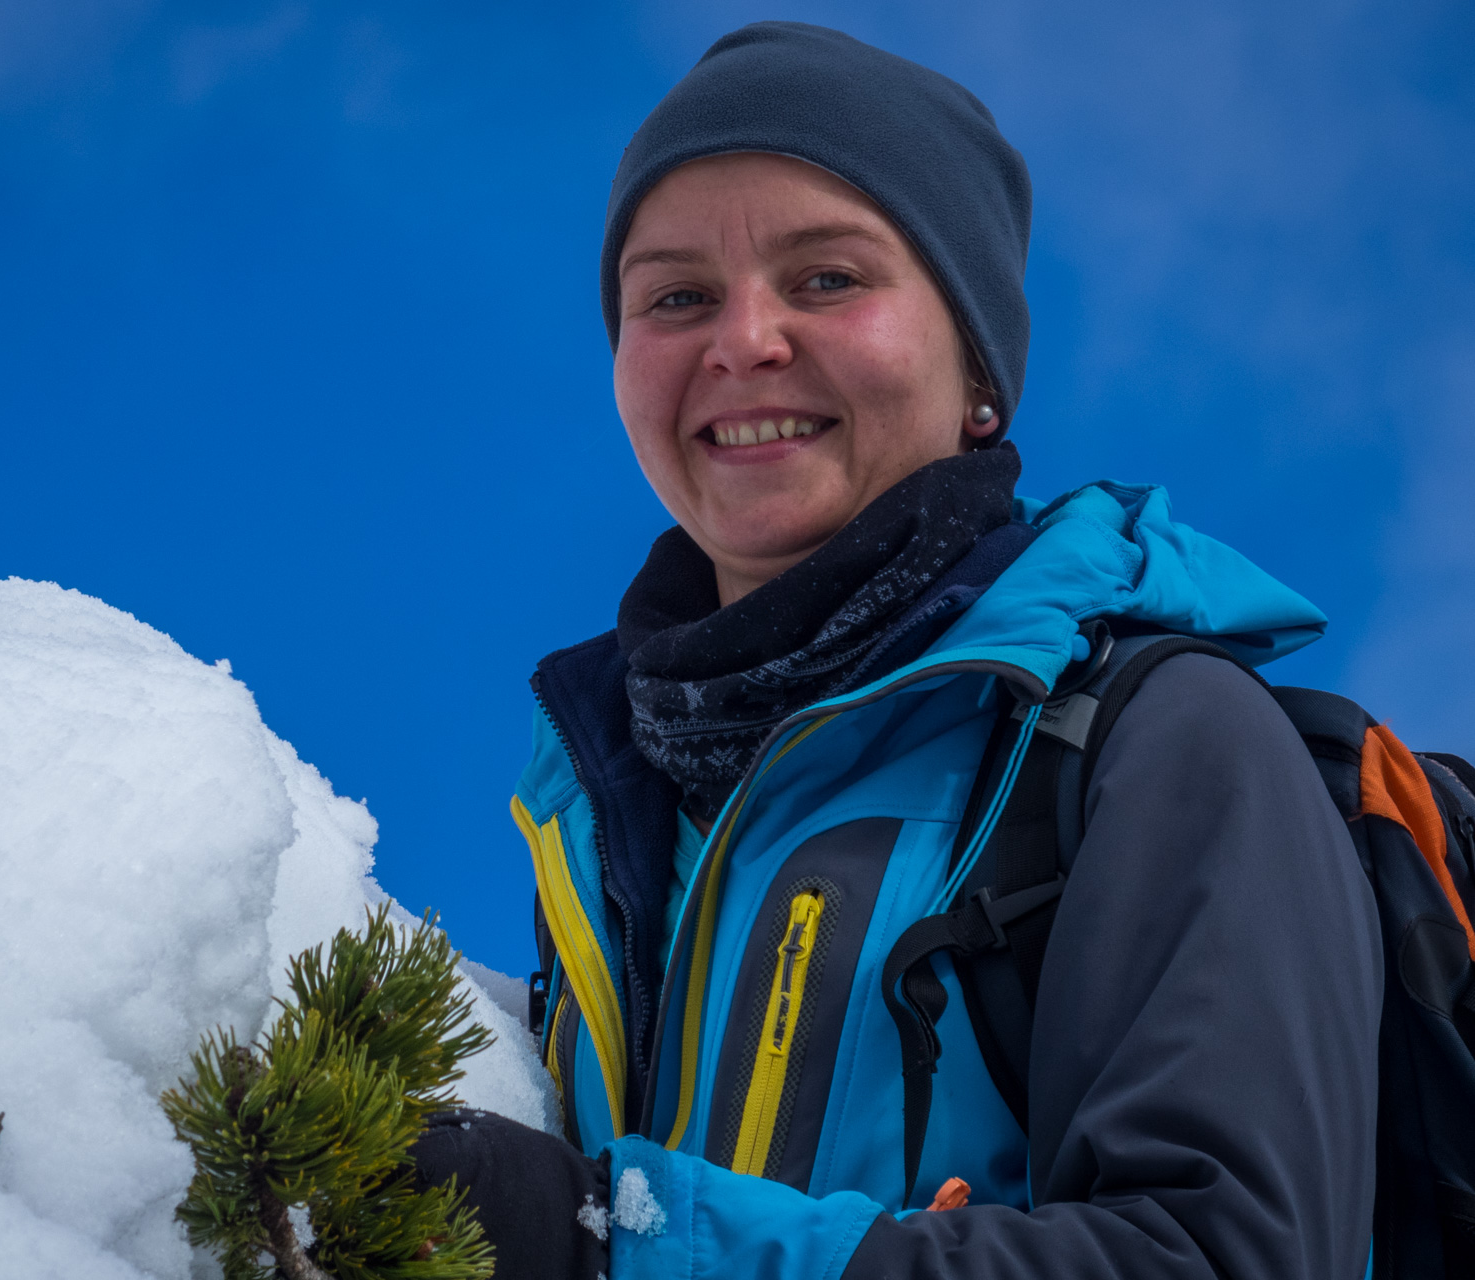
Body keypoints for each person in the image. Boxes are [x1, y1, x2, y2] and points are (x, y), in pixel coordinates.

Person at [410, 21, 1379, 1280]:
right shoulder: (617, 797)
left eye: (825, 279)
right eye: (677, 295)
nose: (741, 340)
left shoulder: (1152, 740)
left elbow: (1225, 1257)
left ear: (977, 368)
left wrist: (610, 1241)